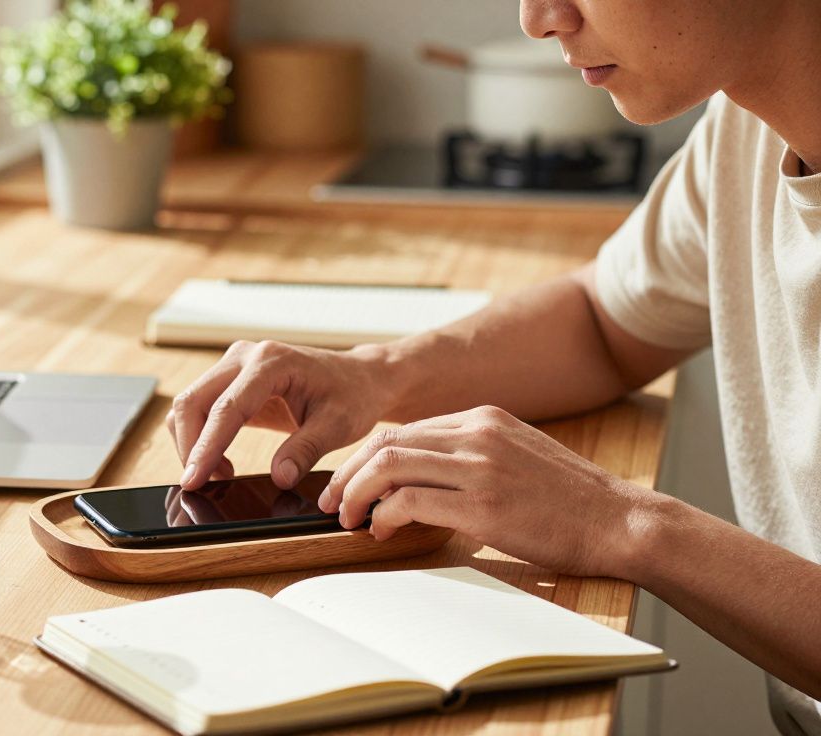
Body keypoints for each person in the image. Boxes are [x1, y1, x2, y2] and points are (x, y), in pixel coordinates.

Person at [165, 0, 821, 733]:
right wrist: (377, 374)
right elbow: (605, 321)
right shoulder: (745, 131)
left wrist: (621, 522)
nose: (538, 18)